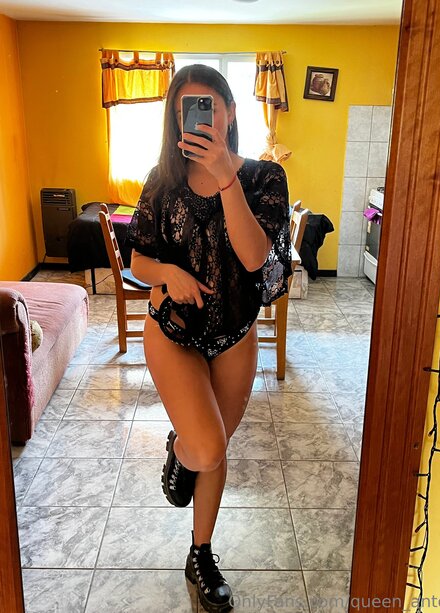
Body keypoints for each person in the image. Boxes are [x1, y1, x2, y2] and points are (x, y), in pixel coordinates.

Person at [126, 64, 291, 613]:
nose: (198, 120)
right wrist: (167, 273)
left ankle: (200, 554)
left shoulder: (265, 178)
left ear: (230, 113)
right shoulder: (162, 180)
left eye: (209, 108)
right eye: (186, 111)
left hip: (234, 335)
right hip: (172, 329)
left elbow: (255, 257)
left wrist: (225, 177)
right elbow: (138, 260)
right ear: (175, 120)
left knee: (213, 449)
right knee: (208, 446)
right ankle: (183, 449)